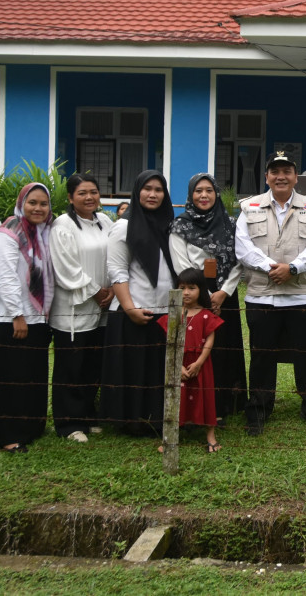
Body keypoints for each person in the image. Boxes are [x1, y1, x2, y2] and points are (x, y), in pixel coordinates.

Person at [235, 150, 306, 435]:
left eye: (286, 171)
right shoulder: (248, 207)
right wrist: (270, 268)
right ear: (266, 176)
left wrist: (292, 268)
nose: (281, 176)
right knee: (262, 355)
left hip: (302, 295)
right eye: (275, 171)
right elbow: (243, 246)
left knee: (305, 356)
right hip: (262, 296)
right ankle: (259, 410)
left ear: (295, 177)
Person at [102, 170, 176, 436]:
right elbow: (117, 270)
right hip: (134, 310)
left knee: (157, 369)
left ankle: (156, 419)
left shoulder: (169, 224)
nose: (153, 194)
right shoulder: (124, 225)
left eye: (159, 189)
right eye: (147, 189)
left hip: (165, 310)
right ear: (136, 192)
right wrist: (130, 308)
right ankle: (130, 421)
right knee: (133, 369)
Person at [170, 173, 247, 423]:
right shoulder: (180, 226)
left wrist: (224, 292)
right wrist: (207, 295)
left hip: (226, 294)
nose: (204, 195)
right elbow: (181, 266)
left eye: (209, 190)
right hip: (196, 295)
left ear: (216, 194)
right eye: (198, 191)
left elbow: (239, 260)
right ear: (190, 195)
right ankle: (201, 404)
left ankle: (226, 404)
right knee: (200, 349)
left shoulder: (230, 223)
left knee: (225, 347)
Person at [0, 182, 54, 453]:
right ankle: (7, 435)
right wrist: (17, 314)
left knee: (32, 377)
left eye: (43, 203)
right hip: (10, 319)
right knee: (9, 380)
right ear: (21, 203)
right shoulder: (9, 232)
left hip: (37, 319)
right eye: (32, 202)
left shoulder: (43, 233)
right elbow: (4, 276)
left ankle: (31, 428)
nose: (38, 208)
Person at [49, 173, 114, 443]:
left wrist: (111, 289)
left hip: (103, 308)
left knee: (92, 364)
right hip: (73, 310)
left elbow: (115, 256)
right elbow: (66, 269)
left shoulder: (105, 221)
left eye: (94, 192)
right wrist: (97, 291)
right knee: (71, 366)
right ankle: (68, 422)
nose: (89, 197)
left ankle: (87, 415)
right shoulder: (62, 226)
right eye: (82, 193)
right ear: (70, 197)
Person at [157, 268, 223, 452]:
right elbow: (170, 340)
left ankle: (210, 435)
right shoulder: (174, 314)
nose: (186, 292)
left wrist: (199, 363)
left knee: (205, 397)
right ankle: (170, 438)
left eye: (191, 287)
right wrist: (177, 366)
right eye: (182, 287)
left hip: (201, 364)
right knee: (177, 397)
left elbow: (210, 340)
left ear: (201, 290)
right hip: (177, 362)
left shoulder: (206, 315)